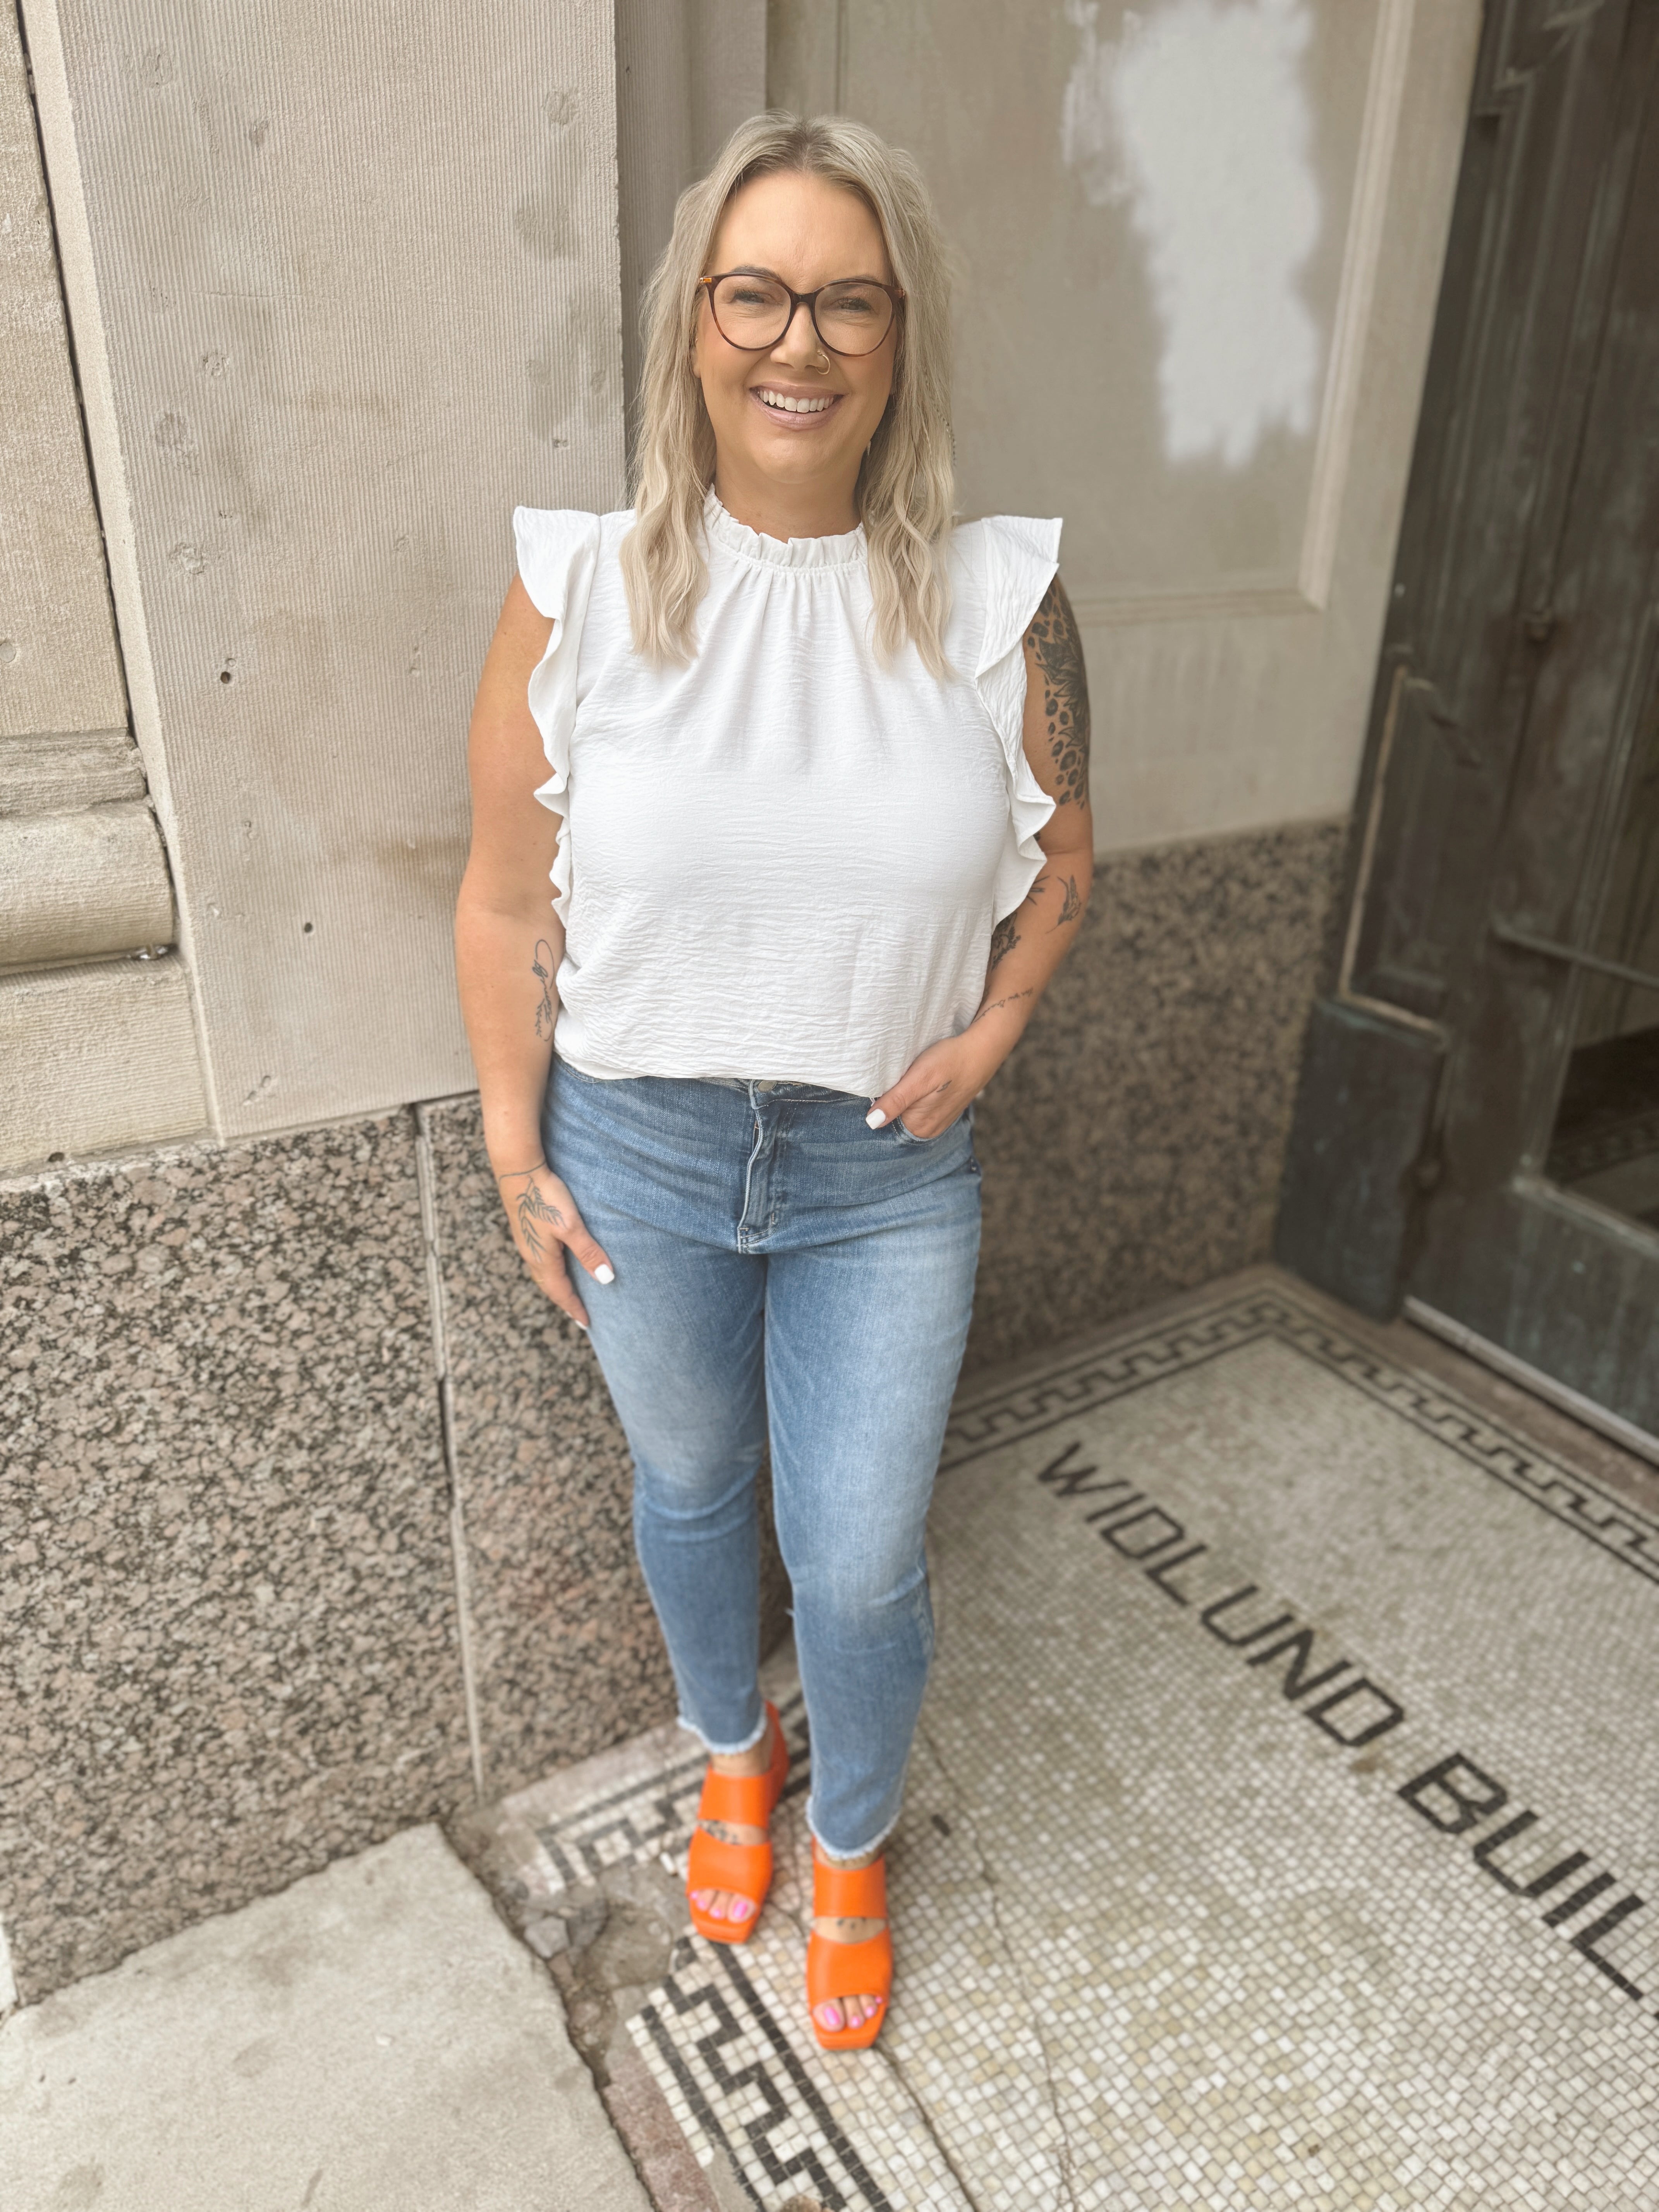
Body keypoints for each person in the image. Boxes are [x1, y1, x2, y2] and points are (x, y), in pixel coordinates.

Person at [455, 111, 1091, 2051]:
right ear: (693, 325)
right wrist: (509, 1138)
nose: (794, 342)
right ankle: (734, 1751)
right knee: (692, 1482)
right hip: (634, 1147)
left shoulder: (999, 603)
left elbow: (1063, 874)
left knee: (864, 1547)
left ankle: (851, 1840)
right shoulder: (581, 593)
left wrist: (985, 1038)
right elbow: (499, 902)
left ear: (899, 339)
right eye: (755, 293)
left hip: (882, 1179)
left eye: (845, 300)